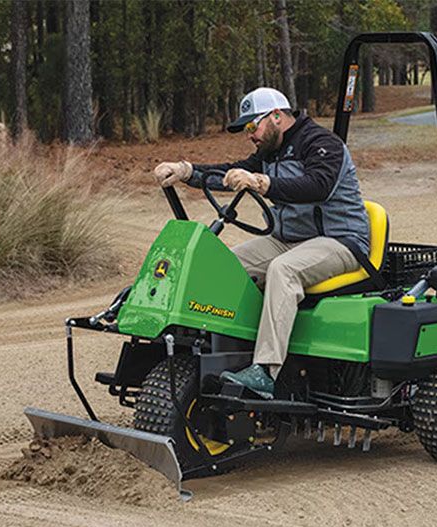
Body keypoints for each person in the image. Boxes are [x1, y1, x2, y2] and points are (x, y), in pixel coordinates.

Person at [152, 87, 369, 399]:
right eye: (246, 130)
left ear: (277, 117)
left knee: (284, 270)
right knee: (223, 266)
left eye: (253, 126)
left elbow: (317, 186)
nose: (250, 135)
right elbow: (231, 173)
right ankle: (215, 349)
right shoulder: (270, 152)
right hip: (289, 240)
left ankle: (266, 371)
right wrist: (187, 172)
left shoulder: (322, 143)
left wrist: (264, 184)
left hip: (341, 241)